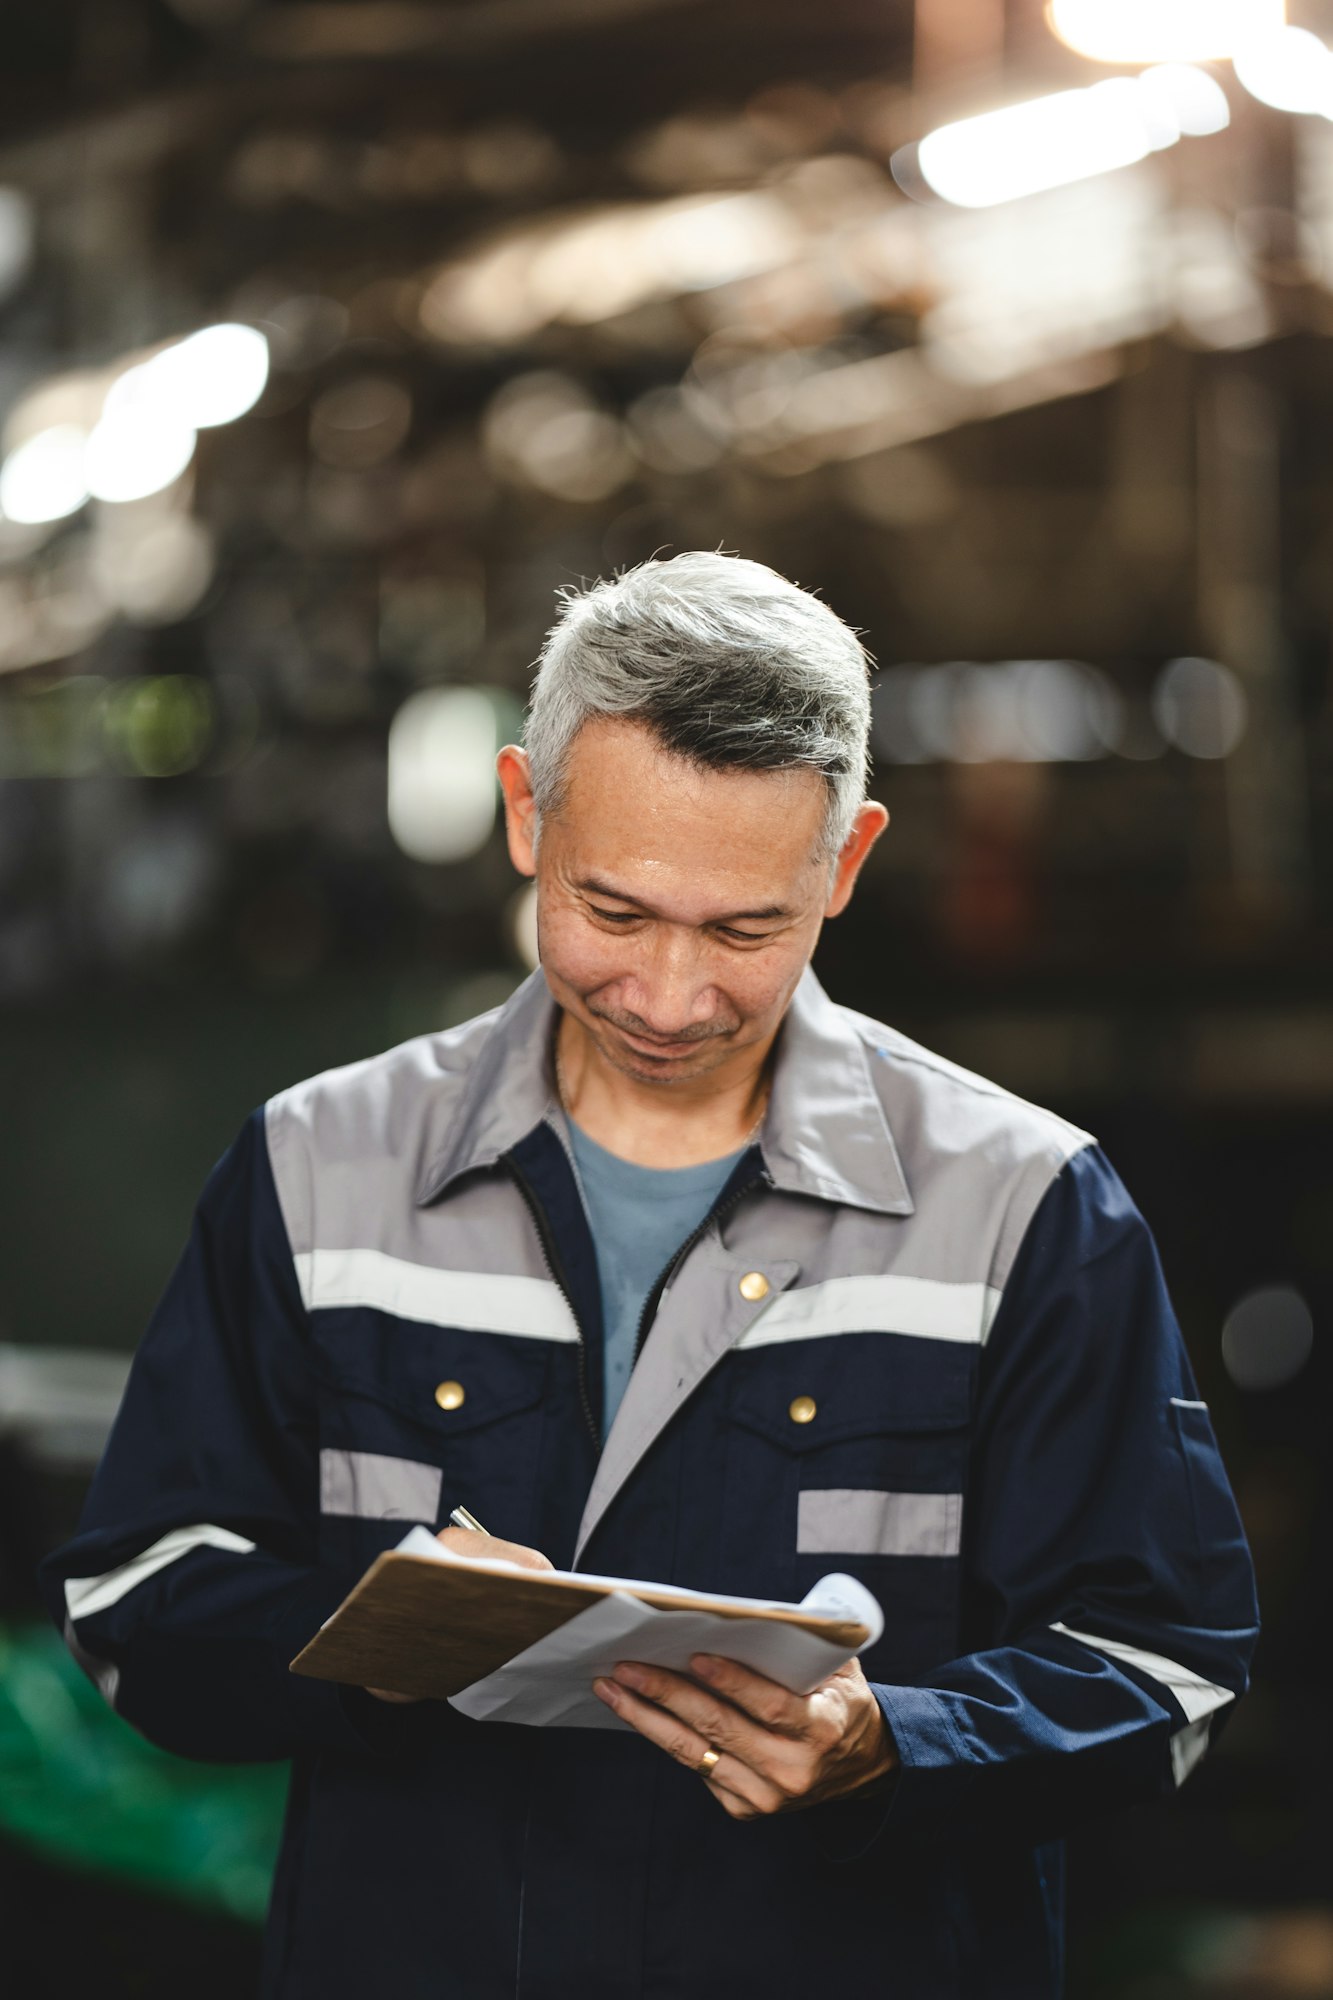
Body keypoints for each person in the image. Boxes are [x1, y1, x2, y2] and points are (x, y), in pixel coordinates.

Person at [40, 552, 1259, 1999]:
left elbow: (1165, 1664)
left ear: (846, 861)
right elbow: (137, 1597)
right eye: (611, 914)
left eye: (746, 929)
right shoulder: (319, 1169)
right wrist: (377, 1628)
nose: (670, 998)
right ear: (523, 813)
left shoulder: (1022, 1205)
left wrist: (893, 1744)